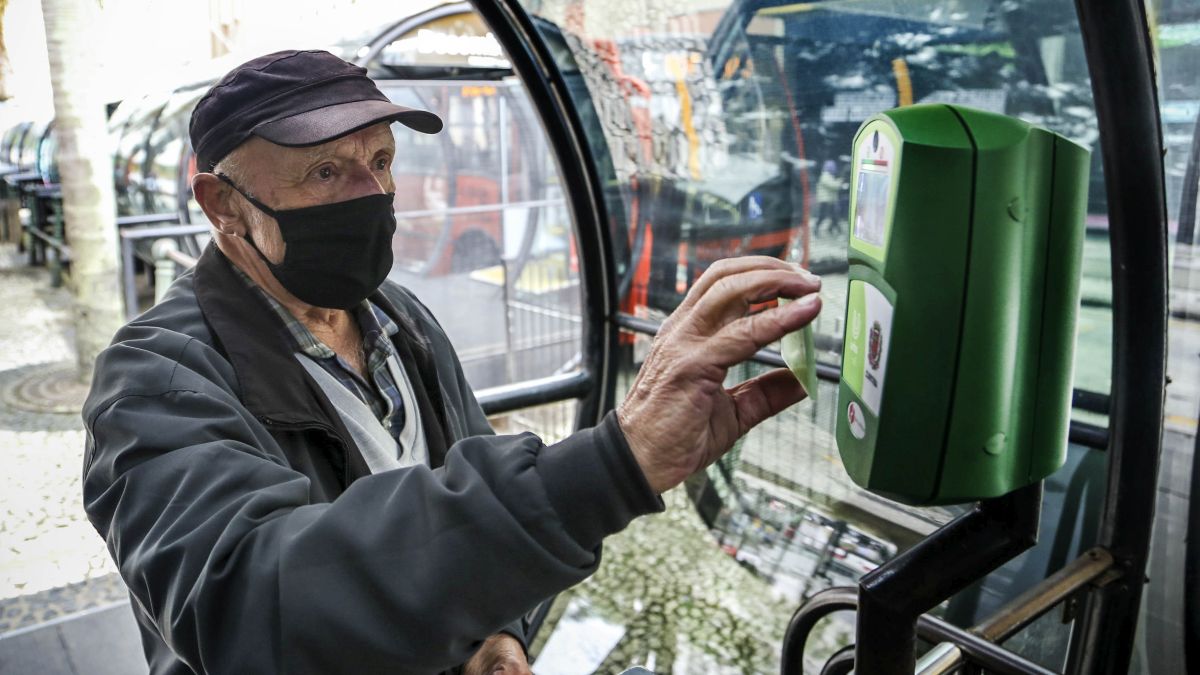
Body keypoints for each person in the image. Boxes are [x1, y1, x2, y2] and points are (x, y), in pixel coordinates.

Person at [81, 50, 822, 675]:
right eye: (326, 173)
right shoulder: (156, 380)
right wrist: (611, 464)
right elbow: (249, 605)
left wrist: (498, 629)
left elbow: (464, 493)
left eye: (381, 161)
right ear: (222, 204)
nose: (373, 195)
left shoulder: (399, 319)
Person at [813, 160, 843, 236]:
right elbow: (833, 186)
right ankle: (816, 229)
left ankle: (834, 230)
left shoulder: (829, 176)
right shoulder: (825, 176)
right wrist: (840, 181)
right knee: (822, 216)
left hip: (830, 200)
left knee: (834, 216)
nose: (834, 169)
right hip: (825, 200)